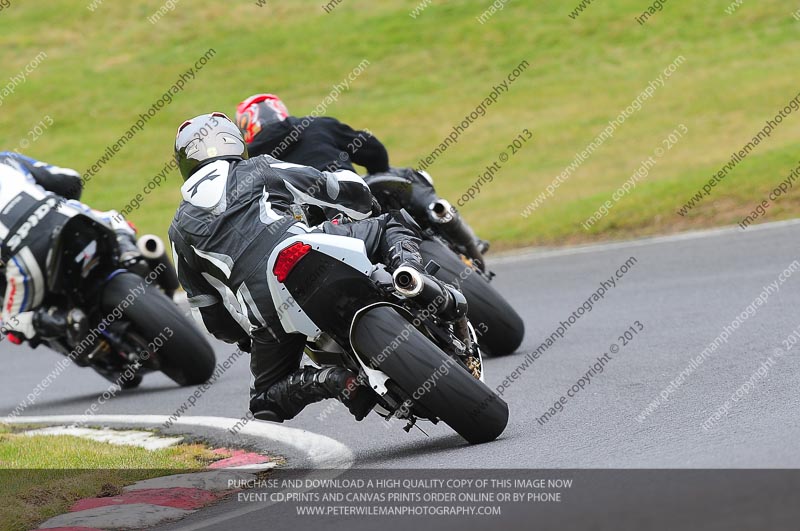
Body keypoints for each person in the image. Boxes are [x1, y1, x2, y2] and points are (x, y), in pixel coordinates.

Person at [169, 112, 465, 423]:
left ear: (184, 161)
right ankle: (412, 278)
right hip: (308, 247)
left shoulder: (178, 230)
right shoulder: (259, 166)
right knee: (390, 225)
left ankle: (334, 381)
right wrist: (364, 205)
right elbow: (328, 187)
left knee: (264, 402)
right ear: (234, 141)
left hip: (267, 306)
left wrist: (245, 338)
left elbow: (209, 311)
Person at [234, 93, 489, 258]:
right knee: (403, 175)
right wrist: (377, 168)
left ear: (246, 126)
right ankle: (441, 214)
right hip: (355, 191)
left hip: (311, 225)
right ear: (280, 110)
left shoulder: (249, 162)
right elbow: (375, 152)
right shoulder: (316, 124)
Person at [0, 152, 139, 345]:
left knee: (10, 322)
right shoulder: (6, 159)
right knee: (113, 218)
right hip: (62, 216)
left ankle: (64, 320)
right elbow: (70, 180)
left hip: (24, 258)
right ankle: (128, 248)